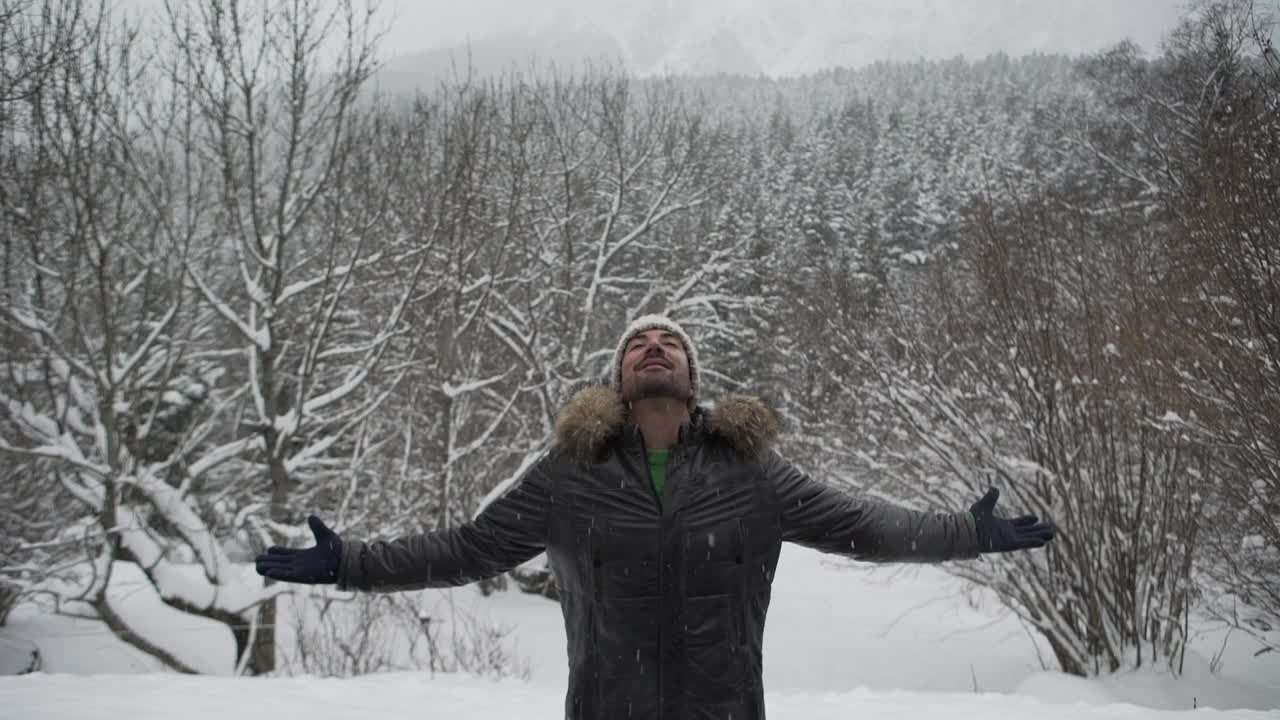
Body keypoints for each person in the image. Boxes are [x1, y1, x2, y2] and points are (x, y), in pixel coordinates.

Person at [256, 314, 1056, 720]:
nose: (653, 346)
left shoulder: (752, 471)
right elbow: (470, 548)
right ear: (618, 376)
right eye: (637, 341)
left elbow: (867, 527)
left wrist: (969, 531)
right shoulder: (572, 474)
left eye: (669, 340)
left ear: (692, 375)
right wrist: (349, 563)